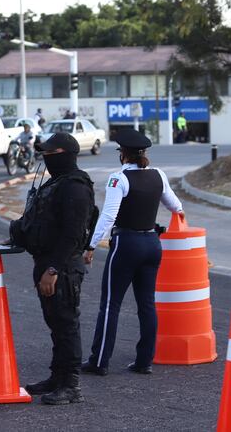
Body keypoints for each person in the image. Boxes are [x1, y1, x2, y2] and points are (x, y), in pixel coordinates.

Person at [81, 128, 183, 377]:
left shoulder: (119, 179)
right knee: (147, 305)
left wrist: (91, 245)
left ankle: (99, 361)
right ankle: (144, 360)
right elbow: (176, 207)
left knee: (110, 305)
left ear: (123, 154)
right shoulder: (159, 175)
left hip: (126, 244)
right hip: (152, 243)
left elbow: (108, 216)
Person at [9, 132, 96, 405]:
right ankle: (57, 377)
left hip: (62, 268)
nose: (44, 158)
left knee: (67, 324)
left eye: (49, 153)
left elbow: (72, 234)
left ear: (65, 155)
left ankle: (71, 386)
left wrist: (53, 270)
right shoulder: (56, 183)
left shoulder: (75, 186)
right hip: (46, 262)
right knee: (56, 325)